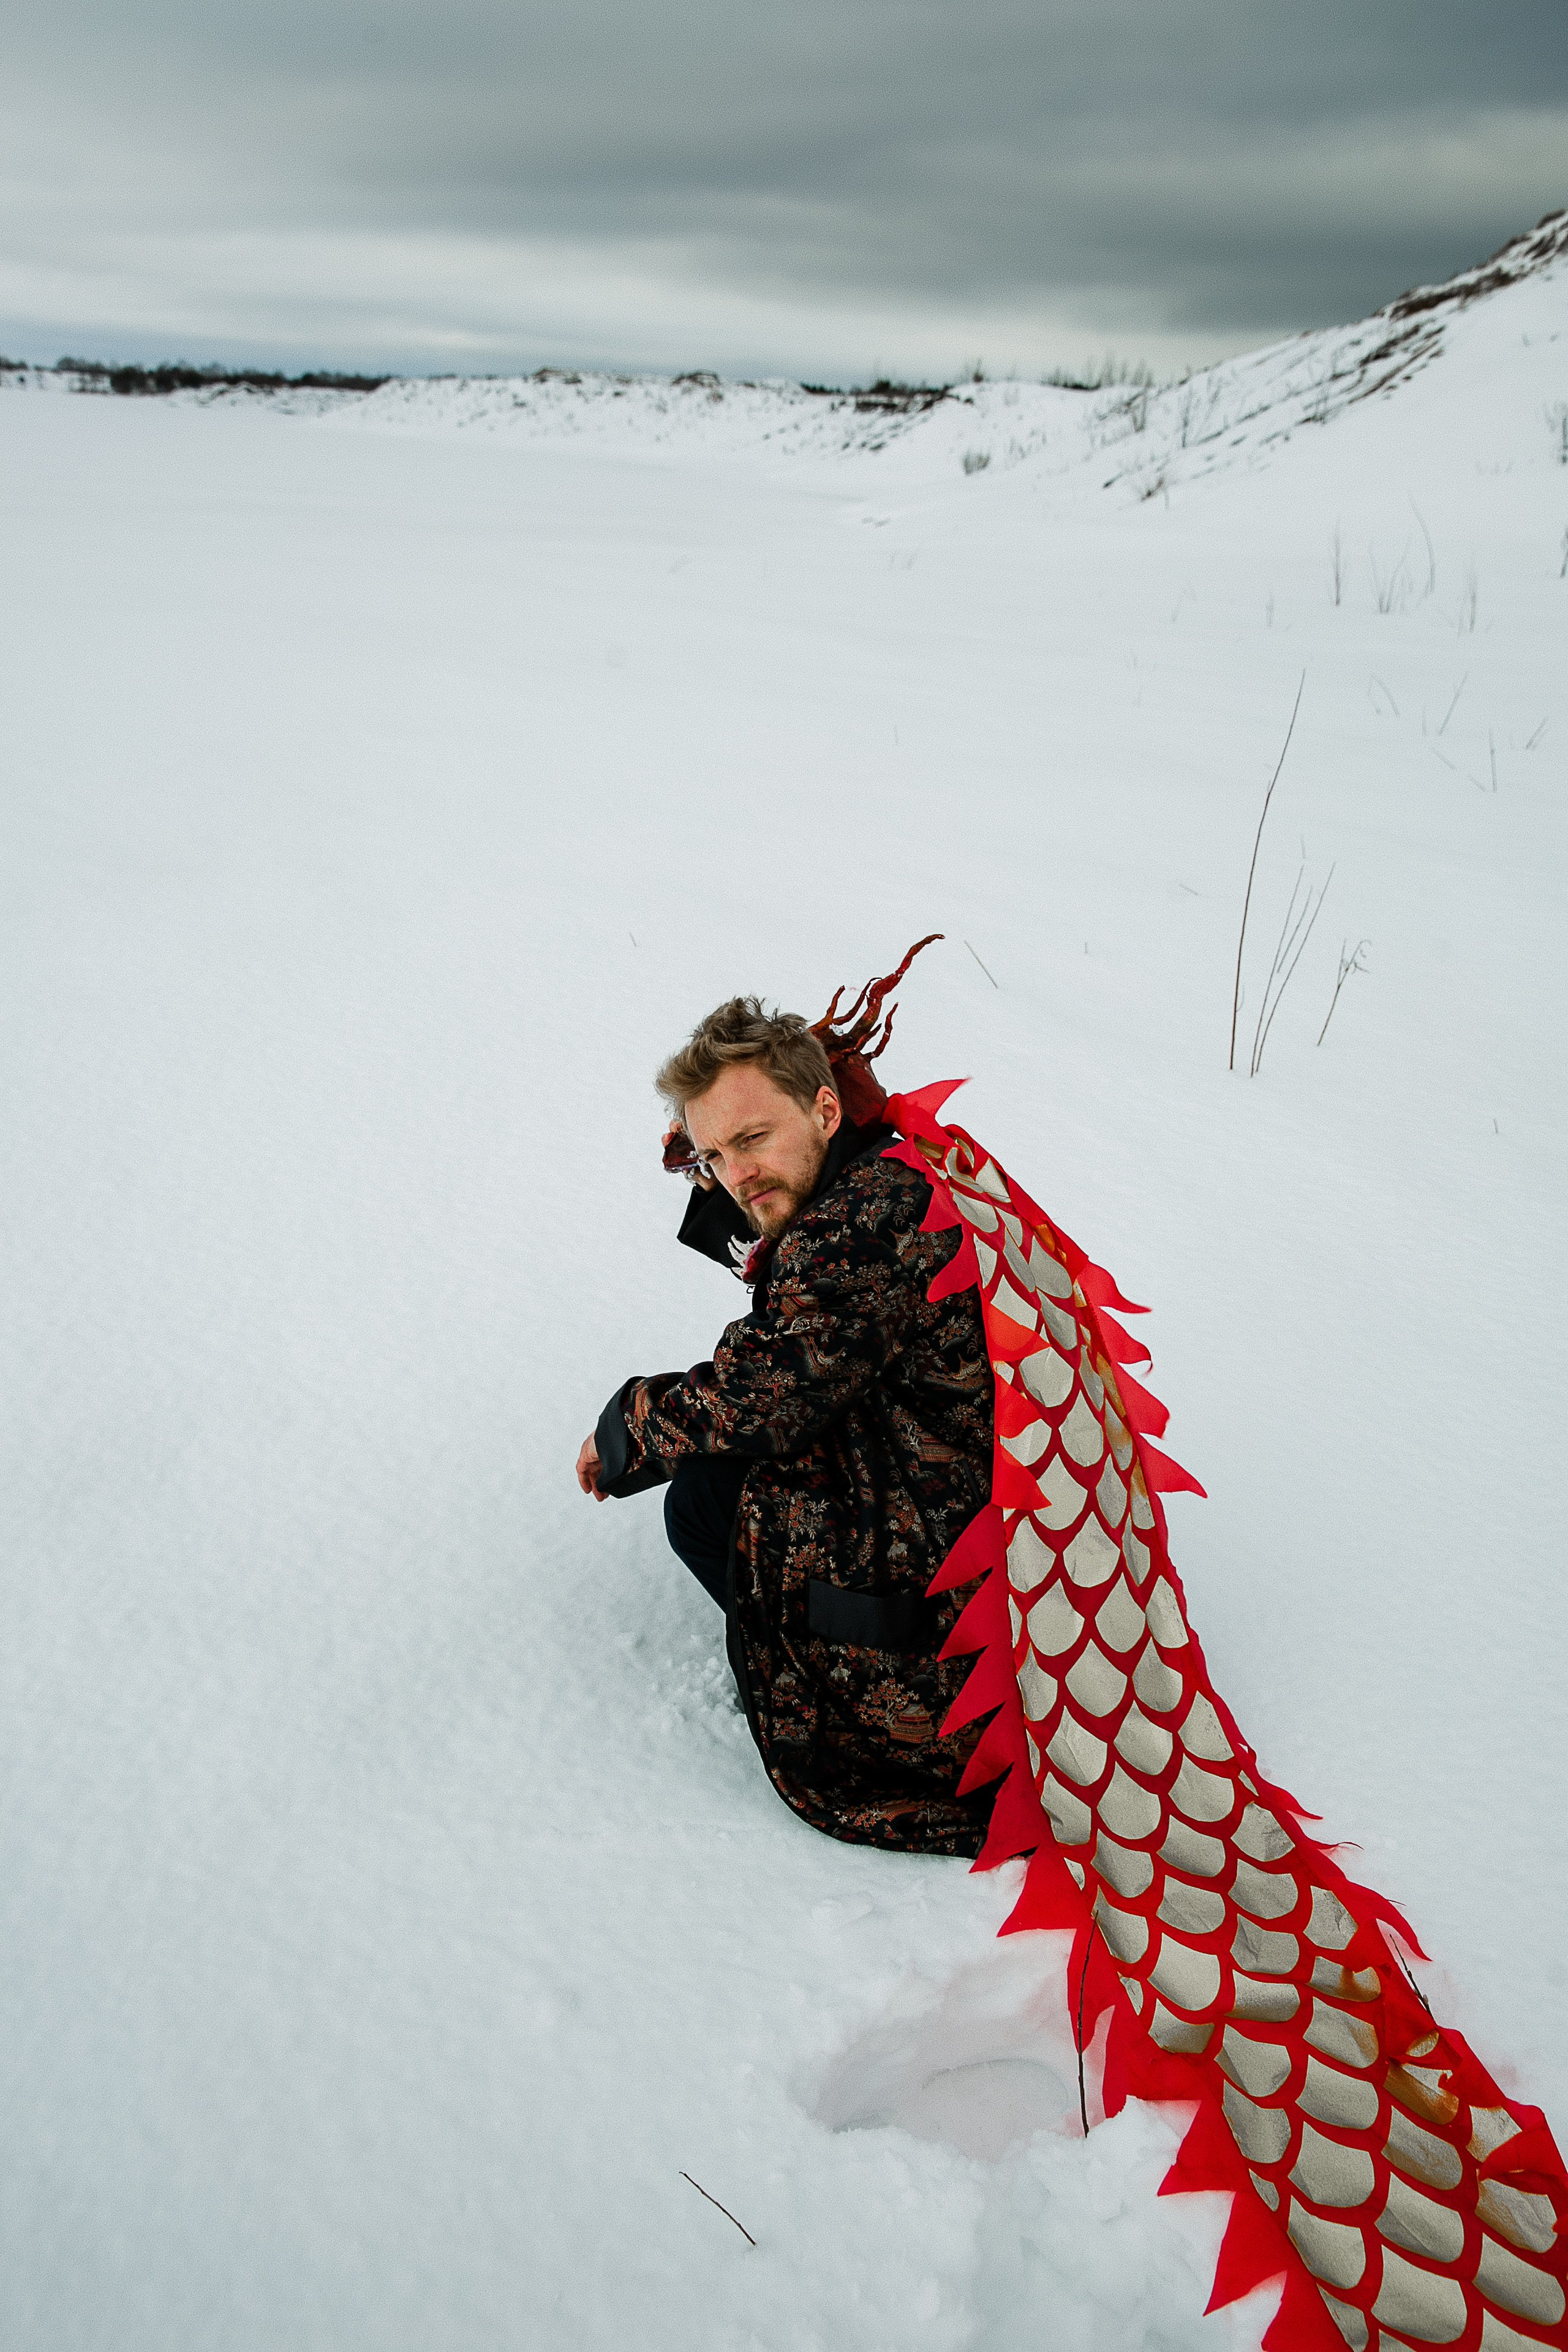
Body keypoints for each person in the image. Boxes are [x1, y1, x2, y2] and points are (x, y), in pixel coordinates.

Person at [576, 981, 995, 1853]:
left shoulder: (857, 1230)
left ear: (827, 1110)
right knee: (724, 1471)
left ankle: (829, 1702)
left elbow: (762, 1395)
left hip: (960, 1645)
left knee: (705, 1501)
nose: (736, 1175)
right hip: (976, 1529)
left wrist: (628, 1430)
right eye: (714, 1155)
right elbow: (793, 1348)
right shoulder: (897, 1173)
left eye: (754, 1138)